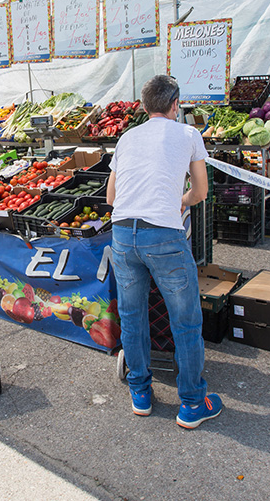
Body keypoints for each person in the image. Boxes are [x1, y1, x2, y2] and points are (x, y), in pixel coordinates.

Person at [106, 75, 221, 429]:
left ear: (143, 107)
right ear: (175, 105)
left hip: (123, 234)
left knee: (133, 315)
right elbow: (200, 191)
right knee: (185, 321)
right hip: (164, 236)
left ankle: (140, 392)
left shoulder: (127, 137)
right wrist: (180, 202)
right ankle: (190, 403)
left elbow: (111, 198)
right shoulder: (188, 134)